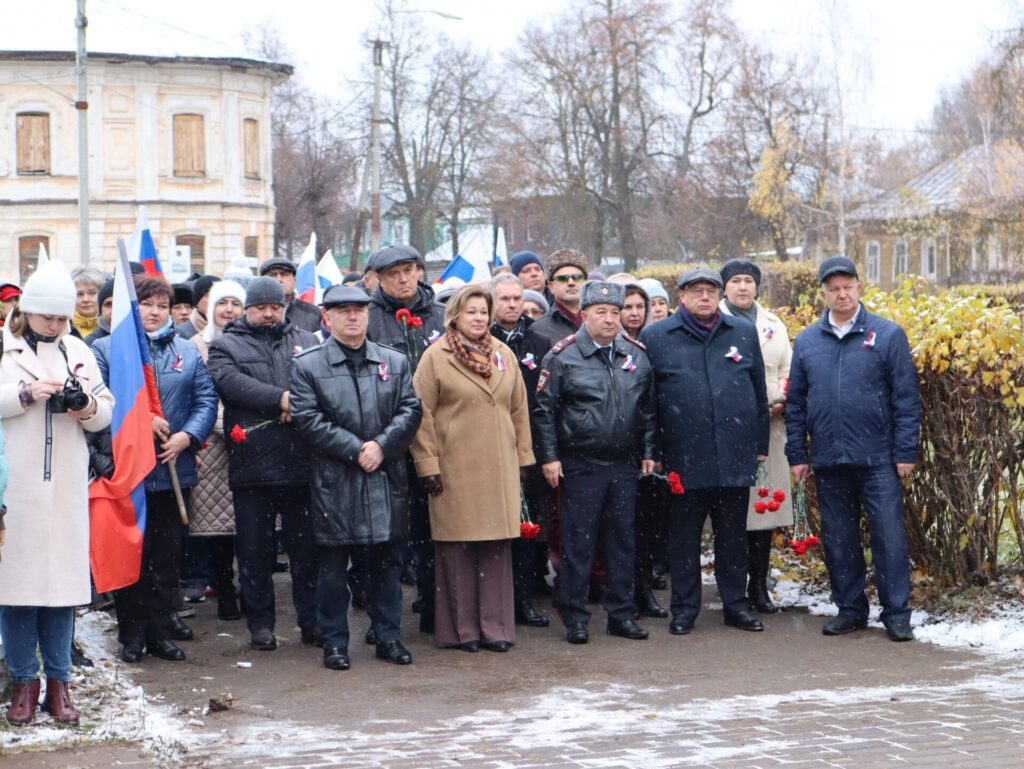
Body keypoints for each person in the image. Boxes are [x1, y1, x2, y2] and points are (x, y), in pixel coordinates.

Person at [0, 260, 113, 726]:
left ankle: (60, 684)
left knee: (62, 589)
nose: (57, 325)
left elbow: (106, 410)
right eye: (49, 316)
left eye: (63, 318)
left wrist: (85, 406)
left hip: (66, 484)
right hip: (17, 487)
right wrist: (25, 395)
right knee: (18, 590)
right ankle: (25, 682)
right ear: (28, 311)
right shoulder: (4, 349)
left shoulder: (77, 350)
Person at [785, 256, 920, 642]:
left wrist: (905, 451)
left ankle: (897, 614)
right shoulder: (808, 340)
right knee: (840, 539)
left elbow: (906, 398)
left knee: (889, 538)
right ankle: (850, 609)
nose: (842, 294)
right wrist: (797, 455)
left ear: (860, 288)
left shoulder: (887, 335)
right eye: (833, 288)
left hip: (878, 458)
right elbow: (795, 403)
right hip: (829, 459)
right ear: (824, 294)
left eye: (848, 286)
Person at [290, 285, 423, 670]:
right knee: (332, 569)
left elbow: (410, 409)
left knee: (387, 564)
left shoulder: (394, 362)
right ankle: (334, 642)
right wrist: (355, 449)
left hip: (384, 476)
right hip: (336, 480)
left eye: (359, 310)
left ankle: (389, 637)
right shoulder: (308, 365)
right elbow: (308, 419)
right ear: (326, 318)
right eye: (343, 311)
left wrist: (381, 446)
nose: (352, 317)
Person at [93, 277, 218, 663]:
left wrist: (188, 436)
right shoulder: (106, 349)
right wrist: (137, 422)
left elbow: (206, 399)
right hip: (127, 471)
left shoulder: (186, 351)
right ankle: (132, 633)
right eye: (146, 304)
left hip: (172, 471)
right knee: (132, 557)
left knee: (166, 559)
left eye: (162, 306)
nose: (154, 312)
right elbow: (100, 403)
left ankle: (161, 632)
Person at [640, 268, 769, 636]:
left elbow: (758, 394)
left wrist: (759, 445)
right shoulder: (657, 336)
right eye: (696, 291)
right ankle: (684, 609)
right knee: (683, 539)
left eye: (711, 290)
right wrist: (656, 450)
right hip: (682, 457)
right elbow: (649, 404)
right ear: (681, 296)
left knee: (733, 536)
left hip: (733, 452)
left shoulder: (741, 333)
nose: (704, 297)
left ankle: (736, 605)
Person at [411, 285, 535, 652]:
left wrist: (524, 457)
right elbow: (421, 415)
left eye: (483, 312)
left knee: (496, 551)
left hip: (498, 466)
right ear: (455, 316)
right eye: (471, 312)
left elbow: (519, 409)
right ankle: (461, 630)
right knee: (458, 550)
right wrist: (427, 464)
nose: (479, 318)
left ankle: (495, 629)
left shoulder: (504, 354)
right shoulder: (436, 356)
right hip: (454, 468)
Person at [533, 281, 657, 645]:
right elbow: (543, 413)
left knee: (622, 541)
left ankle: (621, 614)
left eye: (614, 313)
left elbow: (648, 409)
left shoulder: (635, 353)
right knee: (578, 544)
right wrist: (550, 458)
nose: (609, 320)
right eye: (601, 313)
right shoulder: (562, 356)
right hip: (580, 463)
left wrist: (650, 451)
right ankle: (575, 616)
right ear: (584, 315)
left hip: (623, 465)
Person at [206, 277, 321, 651]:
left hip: (302, 462)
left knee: (306, 553)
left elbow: (317, 383)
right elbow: (232, 385)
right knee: (255, 553)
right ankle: (261, 624)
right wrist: (282, 399)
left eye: (275, 307)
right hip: (253, 465)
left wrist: (295, 403)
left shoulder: (306, 340)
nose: (269, 313)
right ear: (247, 309)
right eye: (260, 308)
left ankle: (311, 621)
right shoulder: (225, 345)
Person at [366, 245, 447, 635]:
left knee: (434, 530)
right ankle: (383, 618)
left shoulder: (442, 318)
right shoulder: (366, 318)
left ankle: (433, 605)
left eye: (409, 270)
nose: (402, 279)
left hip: (436, 440)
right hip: (387, 438)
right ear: (377, 279)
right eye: (393, 273)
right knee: (386, 534)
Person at [718, 259, 793, 614]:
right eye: (736, 281)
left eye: (749, 281)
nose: (743, 287)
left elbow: (788, 370)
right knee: (731, 513)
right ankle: (731, 585)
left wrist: (782, 400)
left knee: (764, 510)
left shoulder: (774, 324)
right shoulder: (712, 321)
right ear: (725, 288)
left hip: (770, 427)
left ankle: (759, 586)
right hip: (727, 429)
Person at [489, 274, 553, 627]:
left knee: (527, 528)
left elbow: (546, 400)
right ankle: (497, 601)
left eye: (517, 298)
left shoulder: (539, 343)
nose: (512, 305)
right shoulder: (481, 340)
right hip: (492, 447)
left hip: (530, 447)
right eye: (505, 299)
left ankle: (523, 598)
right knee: (496, 530)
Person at [187, 280, 247, 622]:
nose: (229, 310)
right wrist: (228, 425)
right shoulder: (196, 345)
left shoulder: (254, 342)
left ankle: (251, 591)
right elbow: (202, 394)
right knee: (219, 528)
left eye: (235, 304)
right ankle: (224, 589)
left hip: (250, 441)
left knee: (250, 526)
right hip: (213, 445)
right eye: (222, 303)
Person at [617, 283, 668, 620]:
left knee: (648, 524)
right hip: (618, 445)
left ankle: (644, 588)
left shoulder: (656, 341)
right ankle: (624, 593)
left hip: (652, 445)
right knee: (623, 527)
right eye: (628, 307)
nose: (634, 313)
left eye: (640, 306)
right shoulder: (612, 344)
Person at [531, 249, 589, 345]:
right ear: (551, 286)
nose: (571, 283)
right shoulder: (539, 329)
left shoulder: (602, 320)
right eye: (563, 279)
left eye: (577, 277)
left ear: (586, 282)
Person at [258, 257, 322, 333]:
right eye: (273, 275)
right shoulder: (254, 313)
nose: (279, 280)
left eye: (284, 274)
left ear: (294, 282)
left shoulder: (313, 313)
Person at [175, 275, 220, 340]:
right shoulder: (181, 333)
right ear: (197, 301)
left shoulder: (230, 329)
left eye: (219, 295)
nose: (215, 299)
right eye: (209, 295)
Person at [70, 265, 106, 338]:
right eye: (79, 294)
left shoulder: (110, 325)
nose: (85, 299)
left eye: (92, 293)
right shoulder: (64, 327)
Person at [84, 278, 115, 347]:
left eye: (119, 303)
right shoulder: (90, 344)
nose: (114, 310)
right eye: (108, 304)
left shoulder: (142, 338)